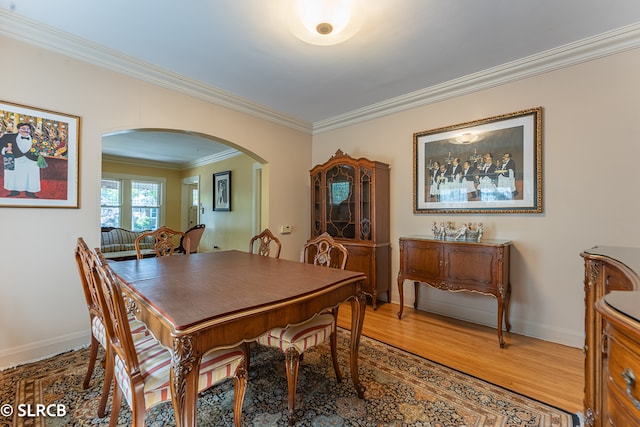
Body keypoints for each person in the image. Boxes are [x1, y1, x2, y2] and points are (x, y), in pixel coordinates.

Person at [0, 123, 41, 198]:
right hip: (15, 160)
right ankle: (14, 191)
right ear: (18, 129)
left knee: (31, 176)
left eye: (28, 129)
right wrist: (5, 149)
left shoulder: (36, 139)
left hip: (31, 160)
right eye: (23, 128)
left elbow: (42, 148)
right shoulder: (9, 137)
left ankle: (30, 192)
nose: (26, 130)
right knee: (14, 176)